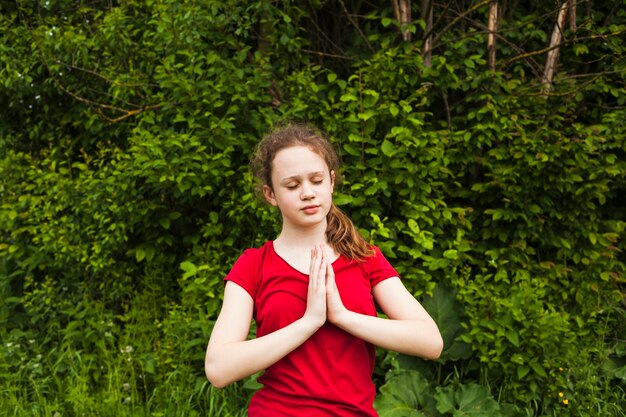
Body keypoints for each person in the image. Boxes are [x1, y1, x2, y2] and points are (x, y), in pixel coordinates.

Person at [204, 122, 443, 417]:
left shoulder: (364, 257)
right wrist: (309, 322)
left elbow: (430, 341)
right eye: (292, 186)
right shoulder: (254, 265)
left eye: (316, 181)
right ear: (270, 194)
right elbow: (218, 368)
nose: (307, 193)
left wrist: (341, 316)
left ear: (331, 182)